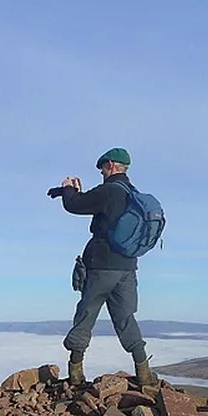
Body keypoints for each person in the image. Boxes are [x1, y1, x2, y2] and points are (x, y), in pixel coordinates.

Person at [54, 147, 158, 387]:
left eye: (102, 167)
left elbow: (76, 205)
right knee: (125, 318)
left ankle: (76, 374)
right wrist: (67, 193)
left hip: (102, 267)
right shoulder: (133, 194)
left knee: (86, 314)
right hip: (128, 269)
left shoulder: (109, 190)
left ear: (110, 165)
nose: (101, 172)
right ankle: (144, 374)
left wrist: (68, 189)